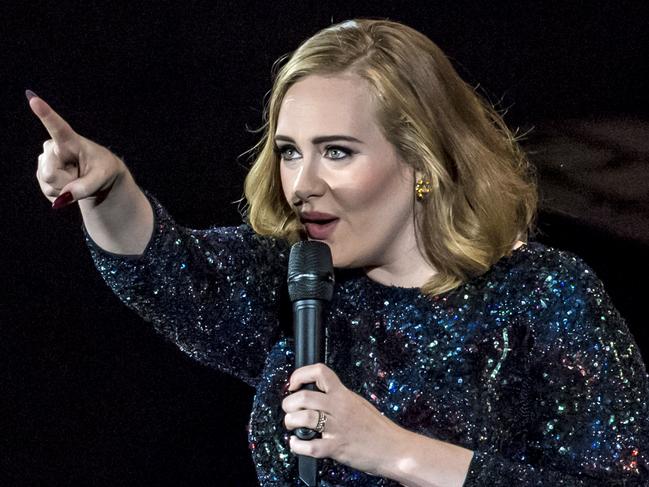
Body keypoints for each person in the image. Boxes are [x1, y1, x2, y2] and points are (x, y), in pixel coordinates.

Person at [30, 18, 648, 486]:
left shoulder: (542, 295)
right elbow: (167, 268)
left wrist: (394, 450)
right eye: (291, 151)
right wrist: (107, 189)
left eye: (338, 151)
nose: (302, 185)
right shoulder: (299, 282)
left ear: (422, 159)